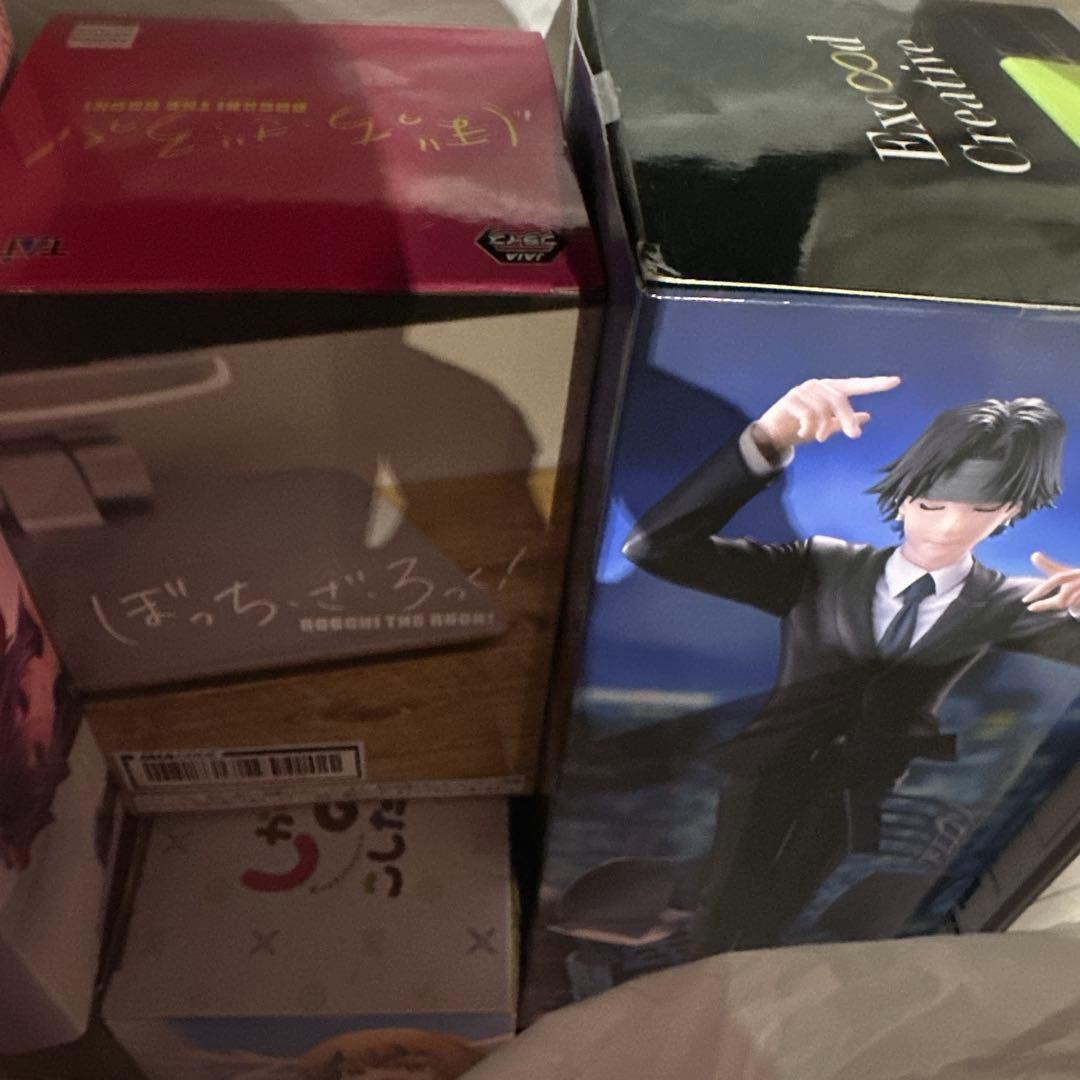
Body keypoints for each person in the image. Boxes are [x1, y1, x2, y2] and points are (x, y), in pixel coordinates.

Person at [622, 376, 1080, 950]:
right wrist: (763, 442)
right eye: (931, 504)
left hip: (862, 787)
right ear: (904, 495)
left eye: (980, 509)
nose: (946, 527)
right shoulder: (821, 566)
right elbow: (656, 549)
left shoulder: (1009, 601)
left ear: (1010, 511)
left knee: (782, 909)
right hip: (766, 767)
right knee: (723, 903)